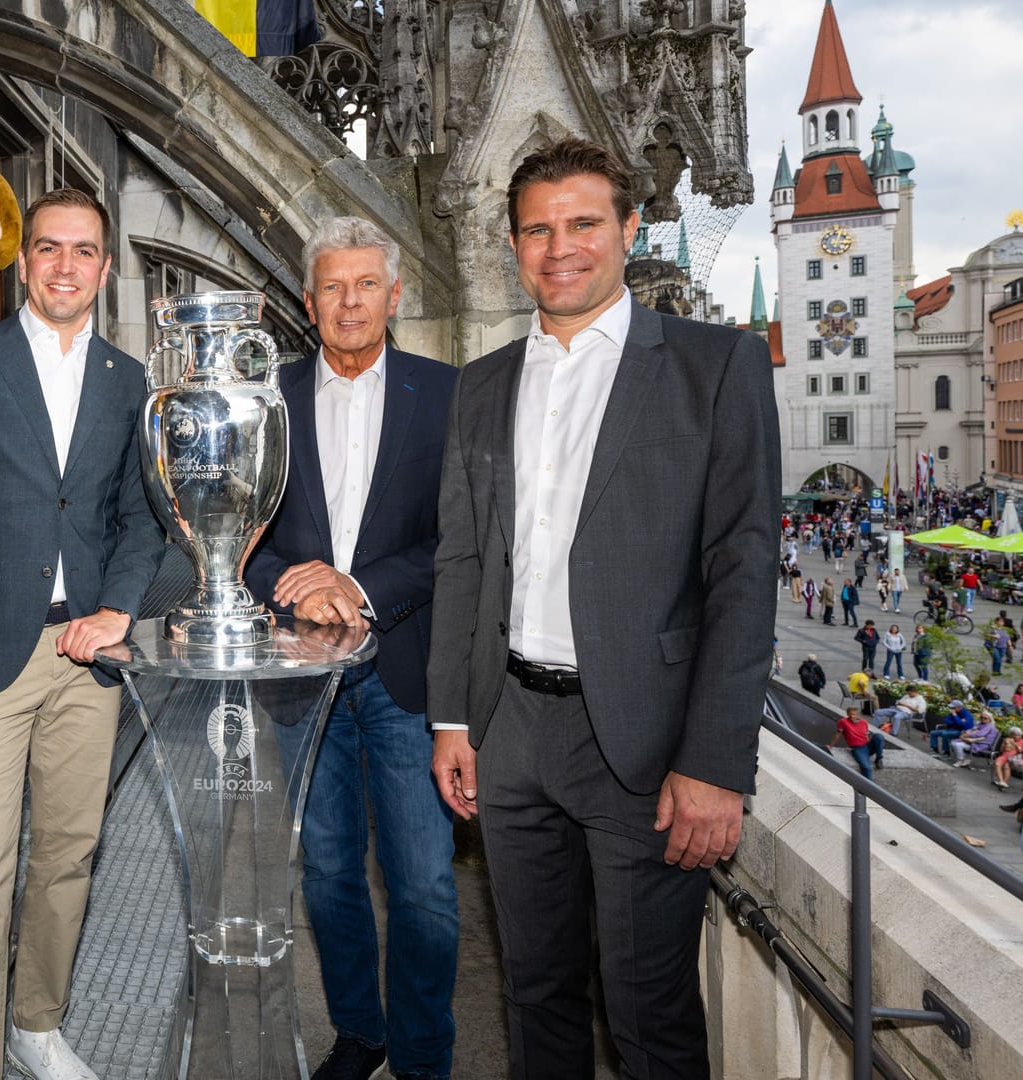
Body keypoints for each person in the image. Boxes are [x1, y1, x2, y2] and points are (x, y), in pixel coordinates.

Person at [427, 138, 778, 1079]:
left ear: (629, 229)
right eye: (537, 230)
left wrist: (713, 764)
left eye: (583, 223)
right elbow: (465, 559)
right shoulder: (483, 384)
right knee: (535, 994)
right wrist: (455, 717)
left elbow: (743, 575)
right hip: (510, 732)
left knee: (647, 1012)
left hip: (644, 740)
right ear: (512, 246)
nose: (559, 247)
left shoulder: (717, 367)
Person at [0, 188, 166, 1080]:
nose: (65, 265)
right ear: (24, 262)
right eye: (48, 248)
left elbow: (140, 518)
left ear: (104, 267)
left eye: (84, 251)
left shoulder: (127, 382)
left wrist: (119, 610)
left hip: (84, 662)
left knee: (67, 858)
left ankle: (36, 1025)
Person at [241, 216, 461, 1080]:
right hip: (301, 677)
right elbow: (233, 535)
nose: (350, 301)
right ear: (308, 301)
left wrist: (359, 591)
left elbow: (463, 538)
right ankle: (359, 1035)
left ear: (395, 295)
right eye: (332, 286)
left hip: (406, 671)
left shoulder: (446, 395)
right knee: (328, 873)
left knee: (425, 889)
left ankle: (422, 1053)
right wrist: (294, 579)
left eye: (366, 284)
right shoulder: (270, 400)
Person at [831, 705, 878, 779]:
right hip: (858, 748)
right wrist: (830, 746)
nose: (853, 716)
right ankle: (869, 788)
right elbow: (837, 735)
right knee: (867, 768)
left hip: (867, 746)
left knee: (879, 736)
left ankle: (879, 758)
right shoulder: (843, 722)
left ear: (858, 715)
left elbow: (866, 736)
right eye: (851, 714)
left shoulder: (863, 722)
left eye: (855, 714)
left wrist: (868, 747)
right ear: (848, 714)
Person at [991, 726, 1023, 790]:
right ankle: (1001, 781)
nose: (1015, 737)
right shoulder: (1007, 740)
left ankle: (1003, 783)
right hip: (1004, 756)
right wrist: (1004, 745)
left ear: (1020, 735)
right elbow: (1001, 751)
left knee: (1006, 766)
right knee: (997, 763)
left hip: (1014, 758)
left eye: (1017, 735)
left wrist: (1017, 747)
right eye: (1013, 735)